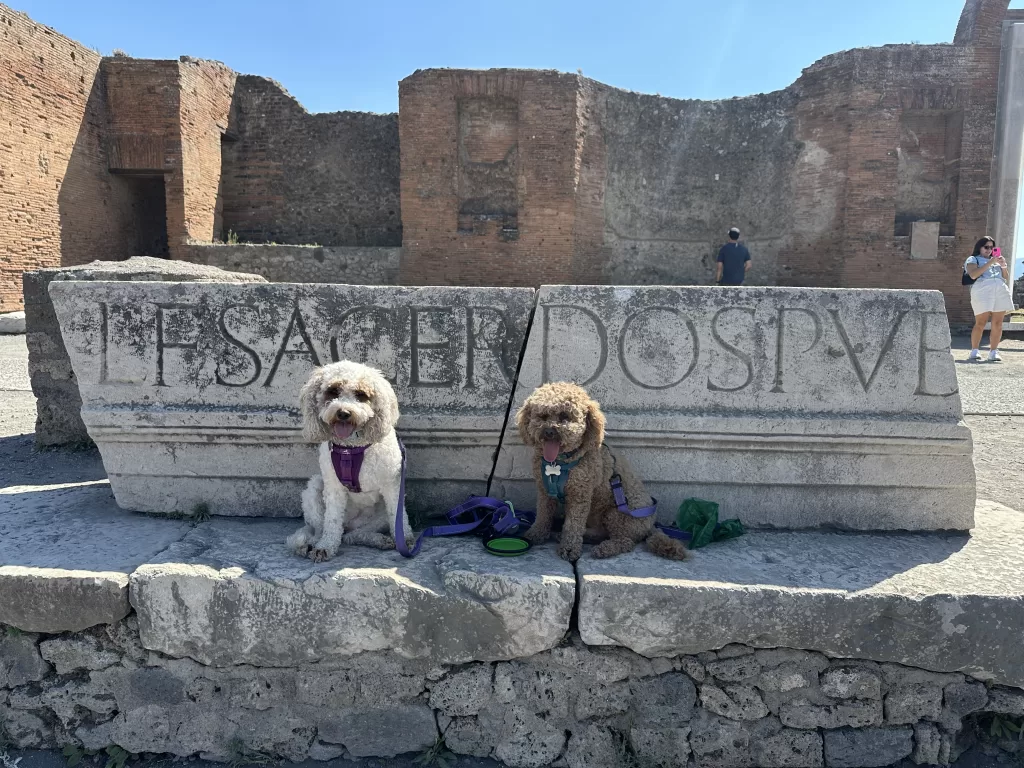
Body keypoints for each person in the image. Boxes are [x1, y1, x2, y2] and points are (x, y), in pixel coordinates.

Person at [964, 236, 1013, 362]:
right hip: (982, 290)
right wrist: (991, 262)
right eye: (986, 247)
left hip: (1000, 290)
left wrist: (1002, 266)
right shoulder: (973, 259)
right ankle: (974, 350)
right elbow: (973, 274)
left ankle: (993, 352)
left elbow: (1005, 277)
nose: (989, 250)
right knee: (981, 322)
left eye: (992, 247)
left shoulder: (996, 260)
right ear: (979, 247)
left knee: (998, 323)